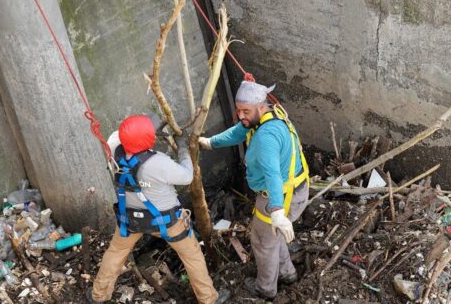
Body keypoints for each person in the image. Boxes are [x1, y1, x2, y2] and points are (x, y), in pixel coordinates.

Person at [88, 114, 227, 304]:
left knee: (115, 253)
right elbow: (187, 176)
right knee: (192, 256)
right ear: (147, 139)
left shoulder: (113, 151)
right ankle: (208, 299)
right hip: (167, 221)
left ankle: (98, 295)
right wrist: (183, 149)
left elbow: (119, 136)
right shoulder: (158, 163)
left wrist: (146, 128)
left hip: (130, 221)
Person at [199, 81, 310, 300]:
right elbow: (237, 133)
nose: (241, 115)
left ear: (260, 106)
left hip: (280, 196)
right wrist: (211, 142)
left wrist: (277, 211)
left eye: (245, 111)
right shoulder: (268, 116)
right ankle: (288, 273)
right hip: (295, 189)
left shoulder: (266, 138)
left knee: (262, 241)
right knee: (273, 237)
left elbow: (273, 175)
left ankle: (266, 289)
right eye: (238, 110)